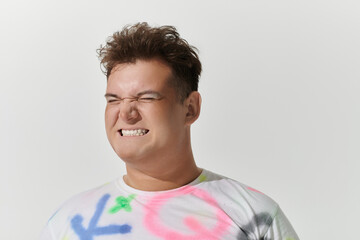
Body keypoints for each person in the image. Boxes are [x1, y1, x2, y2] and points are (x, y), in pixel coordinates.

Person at [40, 22, 299, 240]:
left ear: (190, 108)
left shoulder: (254, 216)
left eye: (147, 98)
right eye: (114, 100)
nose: (126, 113)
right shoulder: (68, 223)